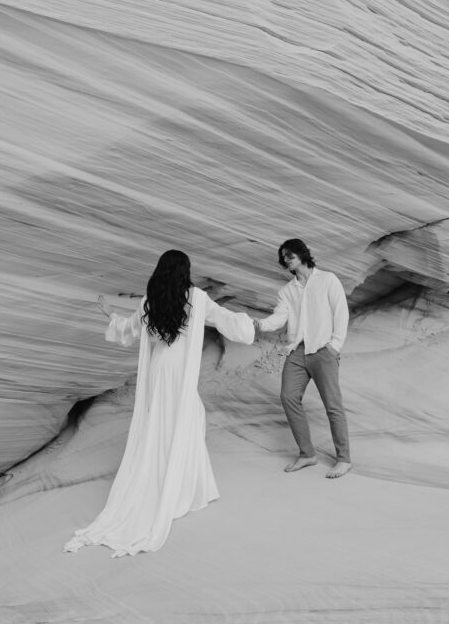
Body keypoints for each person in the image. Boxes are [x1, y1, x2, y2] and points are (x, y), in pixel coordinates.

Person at [64, 250, 255, 557]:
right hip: (179, 372)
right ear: (185, 271)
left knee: (163, 425)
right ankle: (183, 489)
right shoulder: (196, 298)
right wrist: (250, 324)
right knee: (186, 420)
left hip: (158, 371)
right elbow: (228, 321)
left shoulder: (151, 300)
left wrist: (107, 312)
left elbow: (128, 329)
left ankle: (179, 482)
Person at [254, 238, 351, 478]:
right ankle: (307, 454)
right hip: (297, 352)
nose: (285, 260)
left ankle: (344, 459)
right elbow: (279, 318)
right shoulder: (286, 291)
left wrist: (334, 346)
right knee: (288, 397)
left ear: (301, 254)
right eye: (283, 257)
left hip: (323, 351)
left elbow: (341, 313)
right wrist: (259, 324)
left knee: (333, 406)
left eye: (289, 255)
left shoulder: (328, 280)